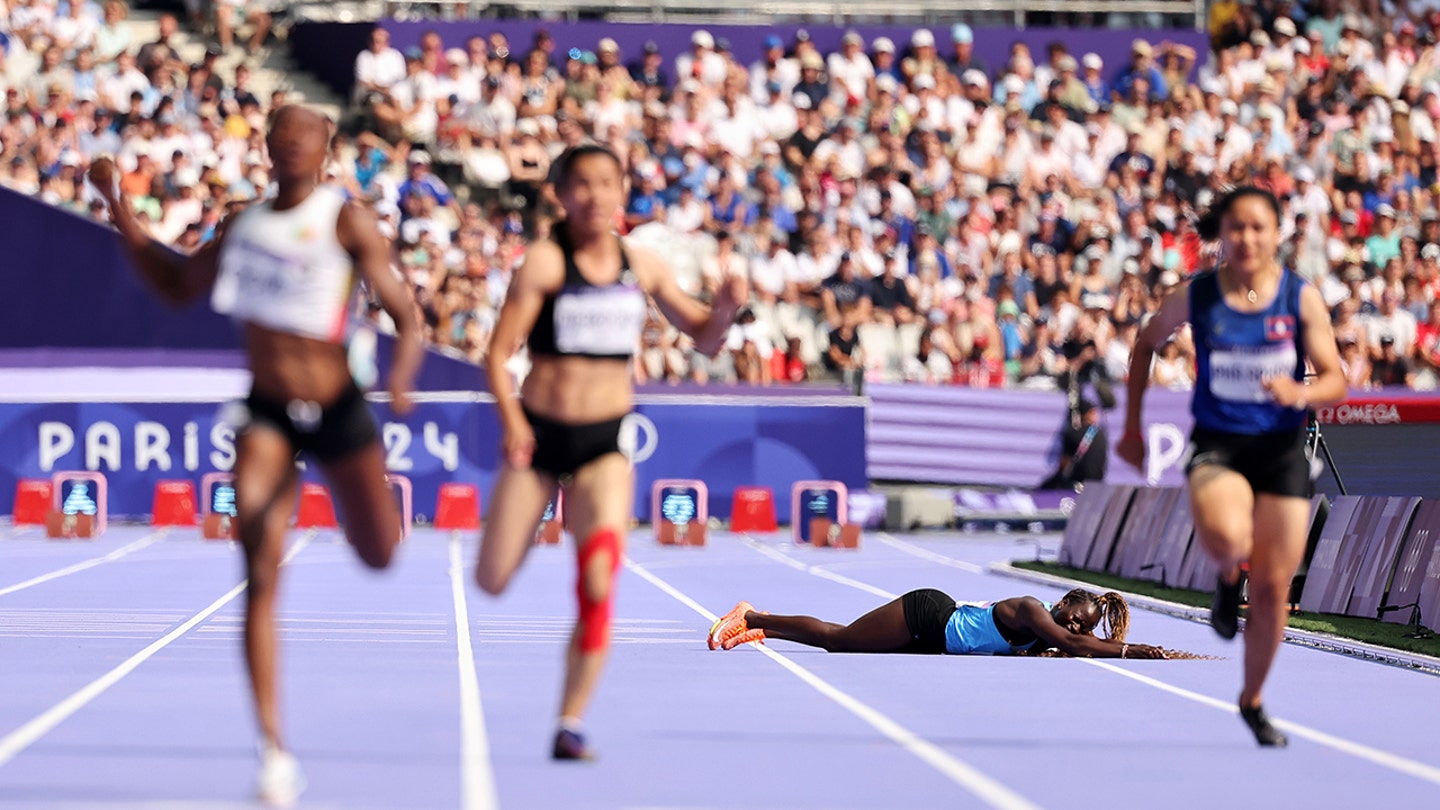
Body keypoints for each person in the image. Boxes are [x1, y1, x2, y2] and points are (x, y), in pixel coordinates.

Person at [89, 105, 424, 806]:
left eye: (307, 141)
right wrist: (121, 212)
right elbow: (179, 288)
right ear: (269, 149)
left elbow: (407, 311)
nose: (294, 149)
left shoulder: (345, 220)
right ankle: (274, 750)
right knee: (259, 570)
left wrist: (398, 378)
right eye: (283, 140)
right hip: (266, 411)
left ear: (326, 153)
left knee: (381, 553)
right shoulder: (243, 223)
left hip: (338, 408)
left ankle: (342, 523)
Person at [475, 143, 745, 761]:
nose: (597, 195)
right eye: (584, 185)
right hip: (541, 436)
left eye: (608, 183)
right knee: (491, 580)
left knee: (599, 580)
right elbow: (496, 355)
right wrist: (514, 421)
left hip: (605, 440)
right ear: (563, 196)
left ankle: (570, 722)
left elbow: (703, 338)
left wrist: (726, 307)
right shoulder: (545, 263)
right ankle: (512, 544)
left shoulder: (641, 264)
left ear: (622, 191)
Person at [1118, 186, 1346, 748]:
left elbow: (1337, 377)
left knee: (1273, 586)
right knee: (1226, 535)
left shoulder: (1300, 297)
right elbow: (1145, 344)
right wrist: (1130, 427)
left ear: (1276, 235)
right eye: (1236, 228)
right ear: (1223, 234)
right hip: (1219, 444)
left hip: (1281, 450)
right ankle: (1225, 576)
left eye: (1258, 228)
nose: (1246, 238)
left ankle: (1253, 700)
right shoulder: (1197, 294)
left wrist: (1299, 390)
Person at [706, 588, 1168, 659]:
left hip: (935, 644)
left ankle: (763, 630)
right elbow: (1070, 642)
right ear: (1065, 604)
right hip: (927, 616)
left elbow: (1069, 644)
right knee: (838, 640)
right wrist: (1131, 650)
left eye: (1085, 627)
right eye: (1078, 619)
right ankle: (752, 615)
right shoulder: (1032, 611)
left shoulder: (1047, 637)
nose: (1078, 629)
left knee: (841, 644)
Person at [1041, 398, 1109, 490]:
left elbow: (1064, 464)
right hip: (1096, 487)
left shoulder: (1073, 433)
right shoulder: (1101, 434)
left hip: (1076, 487)